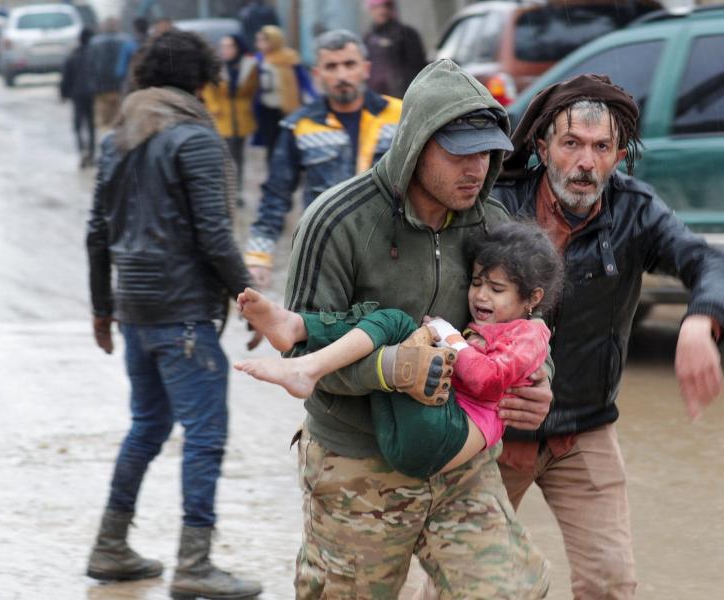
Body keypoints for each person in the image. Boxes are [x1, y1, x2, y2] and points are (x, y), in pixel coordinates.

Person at [277, 57, 552, 598]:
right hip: (358, 462)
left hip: (461, 460)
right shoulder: (337, 221)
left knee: (513, 591)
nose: (476, 168)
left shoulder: (493, 222)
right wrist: (391, 369)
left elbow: (529, 323)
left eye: (486, 151)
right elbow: (299, 352)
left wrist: (541, 382)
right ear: (415, 144)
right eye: (458, 153)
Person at [492, 73, 724, 599]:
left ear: (619, 155)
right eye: (571, 144)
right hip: (492, 428)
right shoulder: (496, 208)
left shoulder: (635, 211)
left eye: (600, 147)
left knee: (611, 584)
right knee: (461, 586)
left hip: (582, 431)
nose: (585, 162)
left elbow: (712, 262)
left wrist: (702, 320)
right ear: (542, 148)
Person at [84, 29, 263, 600]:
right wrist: (252, 302)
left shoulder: (118, 140)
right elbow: (214, 233)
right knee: (206, 434)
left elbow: (96, 233)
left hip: (135, 311)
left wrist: (101, 310)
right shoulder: (194, 138)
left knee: (147, 427)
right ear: (203, 81)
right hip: (183, 312)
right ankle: (195, 564)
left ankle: (110, 547)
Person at [234, 220, 563, 478]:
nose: (481, 296)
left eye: (496, 288)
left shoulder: (532, 333)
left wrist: (446, 334)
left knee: (396, 322)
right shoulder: (505, 325)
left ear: (532, 299)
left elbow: (484, 378)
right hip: (404, 443)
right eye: (476, 283)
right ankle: (296, 330)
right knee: (389, 333)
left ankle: (303, 348)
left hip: (445, 437)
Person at [244, 29, 401, 289]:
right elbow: (275, 194)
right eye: (331, 66)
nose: (341, 75)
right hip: (326, 256)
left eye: (349, 64)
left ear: (365, 68)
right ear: (318, 75)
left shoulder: (400, 116)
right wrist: (259, 257)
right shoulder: (300, 126)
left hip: (393, 252)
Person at [250, 25, 316, 168]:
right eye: (259, 41)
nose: (260, 44)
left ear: (274, 41)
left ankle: (292, 170)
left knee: (290, 141)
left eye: (264, 41)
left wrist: (313, 98)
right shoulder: (259, 59)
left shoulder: (289, 57)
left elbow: (303, 80)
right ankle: (274, 174)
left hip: (288, 108)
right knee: (271, 144)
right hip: (266, 108)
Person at [202, 34, 259, 196]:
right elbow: (208, 89)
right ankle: (224, 189)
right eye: (223, 47)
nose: (225, 50)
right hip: (222, 117)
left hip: (241, 117)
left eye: (229, 46)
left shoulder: (249, 66)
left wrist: (249, 104)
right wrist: (213, 106)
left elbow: (254, 89)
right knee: (222, 156)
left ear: (238, 47)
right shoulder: (216, 67)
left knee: (239, 156)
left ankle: (237, 190)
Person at [362, 0, 427, 98]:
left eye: (385, 6)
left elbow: (418, 68)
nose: (381, 11)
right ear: (370, 9)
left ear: (391, 7)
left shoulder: (407, 34)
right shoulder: (367, 39)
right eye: (376, 7)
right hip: (378, 100)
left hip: (406, 97)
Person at [60, 28, 97, 168]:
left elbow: (66, 77)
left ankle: (82, 150)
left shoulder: (73, 55)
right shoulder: (94, 54)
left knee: (78, 124)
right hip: (92, 93)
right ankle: (92, 153)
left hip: (77, 95)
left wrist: (63, 94)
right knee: (91, 124)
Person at [87, 18, 129, 130]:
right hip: (119, 86)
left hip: (101, 87)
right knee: (119, 118)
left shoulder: (94, 43)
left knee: (102, 119)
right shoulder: (125, 40)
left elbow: (90, 65)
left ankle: (105, 140)